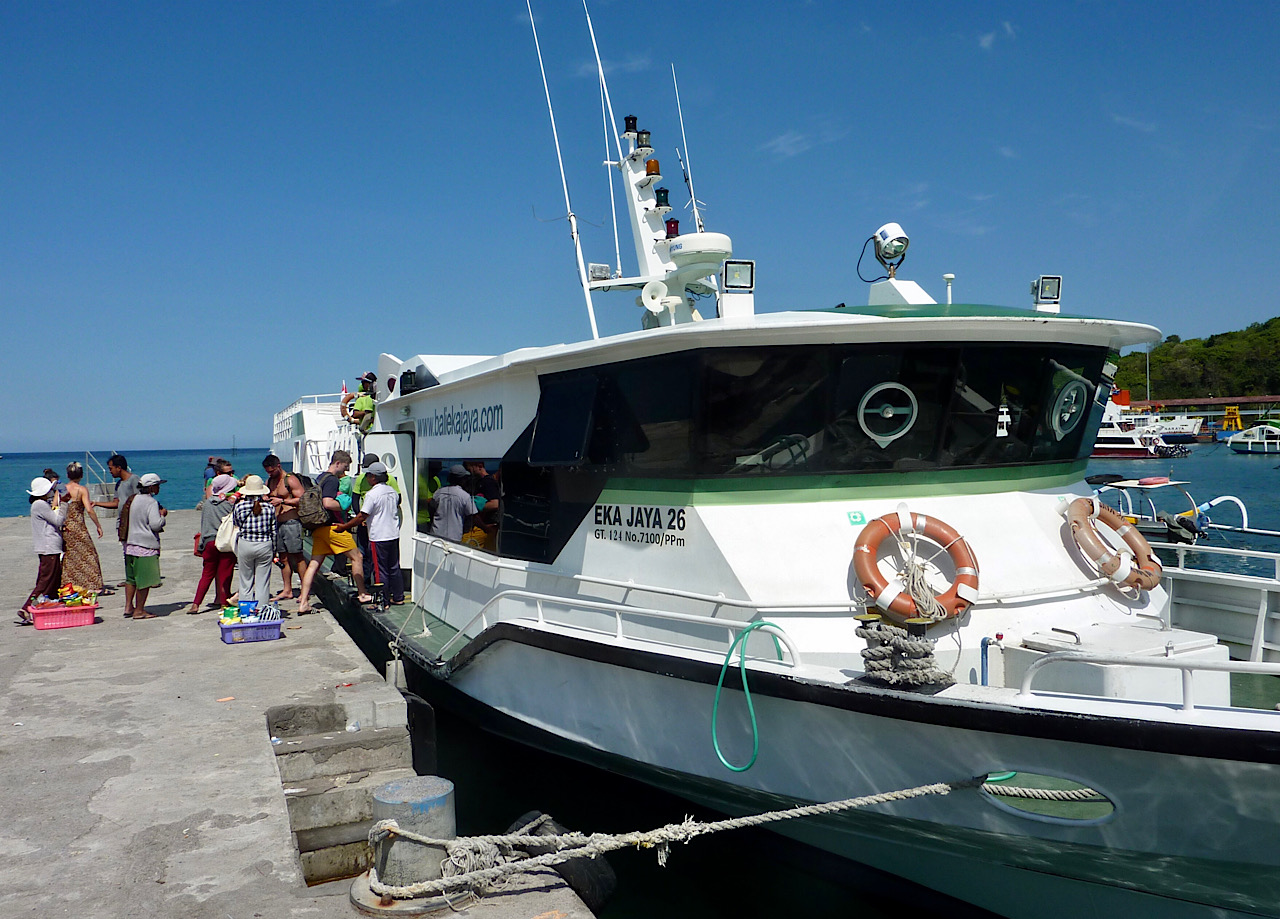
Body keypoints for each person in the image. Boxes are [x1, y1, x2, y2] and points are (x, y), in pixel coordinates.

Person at [297, 450, 370, 614]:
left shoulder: (320, 477)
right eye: (345, 466)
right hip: (331, 527)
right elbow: (328, 503)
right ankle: (363, 593)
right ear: (338, 463)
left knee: (313, 565)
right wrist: (345, 505)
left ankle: (303, 602)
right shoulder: (331, 480)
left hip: (318, 528)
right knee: (357, 557)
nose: (345, 470)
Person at [338, 462, 404, 606]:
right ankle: (398, 597)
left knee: (380, 570)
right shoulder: (392, 491)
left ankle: (383, 601)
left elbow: (362, 515)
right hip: (393, 534)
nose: (367, 478)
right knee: (394, 567)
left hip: (378, 536)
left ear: (373, 477)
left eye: (368, 475)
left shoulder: (372, 494)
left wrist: (344, 526)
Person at [190, 474, 238, 613]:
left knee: (207, 574)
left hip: (209, 542)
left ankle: (196, 604)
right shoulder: (229, 504)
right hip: (224, 543)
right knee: (225, 574)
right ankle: (224, 603)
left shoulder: (207, 503)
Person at [21, 477, 67, 622]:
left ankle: (49, 606)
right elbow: (59, 521)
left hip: (48, 547)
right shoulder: (40, 505)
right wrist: (65, 504)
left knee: (53, 580)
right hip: (49, 548)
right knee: (45, 580)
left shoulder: (38, 504)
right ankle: (27, 607)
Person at [124, 473, 167, 620]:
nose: (158, 487)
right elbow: (155, 524)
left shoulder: (134, 499)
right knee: (144, 580)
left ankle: (129, 606)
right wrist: (163, 516)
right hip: (145, 544)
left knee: (131, 579)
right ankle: (139, 610)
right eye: (157, 485)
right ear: (151, 487)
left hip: (131, 543)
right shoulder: (151, 502)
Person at [262, 455, 305, 600]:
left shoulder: (290, 479)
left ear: (278, 466)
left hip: (292, 521)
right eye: (268, 472)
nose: (270, 474)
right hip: (277, 523)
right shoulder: (270, 481)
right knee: (283, 557)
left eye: (272, 471)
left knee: (297, 556)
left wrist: (283, 500)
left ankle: (304, 590)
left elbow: (303, 499)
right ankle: (287, 589)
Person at [94, 454, 141, 587]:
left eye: (111, 468)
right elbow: (116, 503)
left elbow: (140, 500)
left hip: (134, 522)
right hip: (123, 523)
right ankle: (130, 578)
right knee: (126, 551)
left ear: (119, 467)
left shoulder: (134, 480)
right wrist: (97, 503)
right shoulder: (119, 484)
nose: (110, 471)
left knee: (136, 550)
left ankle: (137, 577)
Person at [231, 475, 277, 608]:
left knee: (245, 580)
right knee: (263, 582)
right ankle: (262, 610)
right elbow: (273, 531)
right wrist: (274, 550)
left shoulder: (239, 507)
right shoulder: (270, 508)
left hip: (246, 542)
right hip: (264, 543)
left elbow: (237, 524)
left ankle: (247, 612)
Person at [62, 461, 105, 594]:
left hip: (65, 527)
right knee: (89, 555)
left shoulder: (61, 489)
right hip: (78, 527)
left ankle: (69, 584)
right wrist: (98, 525)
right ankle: (92, 584)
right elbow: (89, 509)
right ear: (81, 475)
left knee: (69, 557)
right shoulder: (81, 490)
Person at [428, 465, 475, 542]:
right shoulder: (465, 496)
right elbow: (471, 515)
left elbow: (431, 510)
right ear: (462, 480)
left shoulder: (438, 493)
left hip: (435, 533)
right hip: (454, 536)